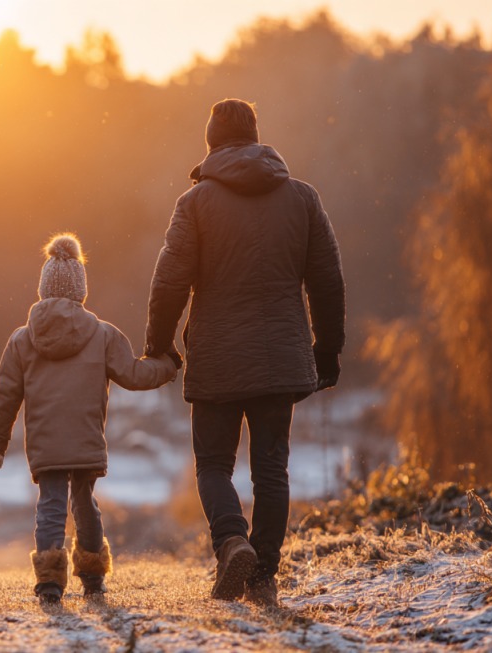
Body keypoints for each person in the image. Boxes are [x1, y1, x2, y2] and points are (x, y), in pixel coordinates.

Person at [145, 99, 346, 607]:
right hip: (281, 357)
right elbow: (327, 282)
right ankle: (264, 575)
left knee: (213, 464)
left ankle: (232, 541)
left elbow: (169, 281)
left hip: (216, 356)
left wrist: (159, 344)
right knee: (271, 468)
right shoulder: (302, 198)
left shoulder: (195, 204)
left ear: (210, 143)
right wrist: (328, 351)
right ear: (256, 137)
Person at [0, 234, 178, 605]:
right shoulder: (101, 334)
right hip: (86, 436)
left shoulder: (21, 340)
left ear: (42, 289)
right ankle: (91, 575)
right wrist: (168, 364)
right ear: (81, 290)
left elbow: (6, 396)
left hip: (45, 440)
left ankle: (50, 582)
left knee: (51, 502)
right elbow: (134, 375)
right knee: (84, 502)